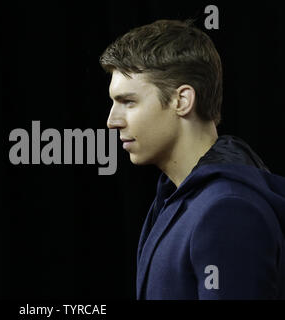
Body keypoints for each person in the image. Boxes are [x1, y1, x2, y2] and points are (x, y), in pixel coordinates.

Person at [99, 19, 285, 299]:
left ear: (182, 100)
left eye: (128, 102)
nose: (112, 121)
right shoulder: (176, 198)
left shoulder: (227, 210)